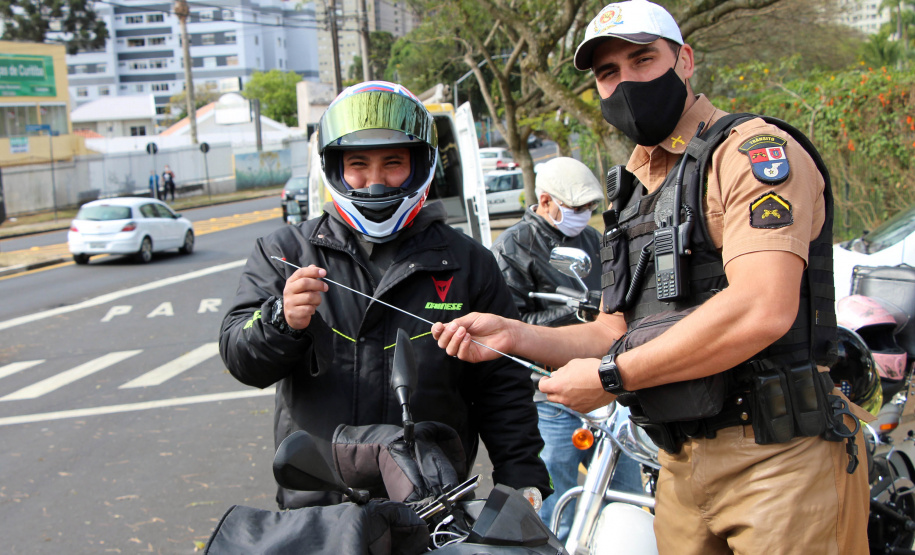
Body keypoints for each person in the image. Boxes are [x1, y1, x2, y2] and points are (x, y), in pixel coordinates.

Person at [432, 2, 871, 553]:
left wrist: (613, 378)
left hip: (780, 455)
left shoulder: (749, 155)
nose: (626, 82)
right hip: (677, 463)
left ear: (684, 60)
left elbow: (762, 306)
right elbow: (612, 330)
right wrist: (515, 335)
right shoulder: (636, 190)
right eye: (608, 72)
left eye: (643, 60)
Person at [219, 80, 551, 510]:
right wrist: (281, 319)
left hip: (432, 502)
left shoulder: (468, 262)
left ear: (420, 164)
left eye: (393, 163)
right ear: (334, 167)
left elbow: (503, 386)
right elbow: (240, 356)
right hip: (320, 505)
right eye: (358, 164)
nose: (374, 182)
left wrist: (523, 480)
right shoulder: (284, 253)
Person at [490, 156, 641, 541]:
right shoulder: (511, 247)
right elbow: (509, 326)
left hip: (606, 385)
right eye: (576, 207)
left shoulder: (591, 238)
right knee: (558, 502)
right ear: (545, 201)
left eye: (589, 207)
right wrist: (575, 312)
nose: (584, 214)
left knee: (627, 492)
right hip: (552, 395)